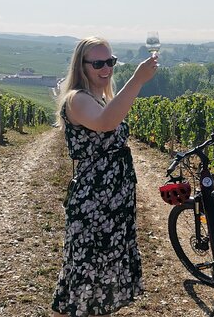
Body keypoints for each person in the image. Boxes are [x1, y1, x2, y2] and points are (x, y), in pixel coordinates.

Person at [51, 36, 158, 317]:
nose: (106, 68)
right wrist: (137, 80)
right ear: (81, 66)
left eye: (110, 61)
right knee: (84, 274)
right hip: (94, 203)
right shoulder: (77, 100)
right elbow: (105, 123)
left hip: (114, 202)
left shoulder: (101, 97)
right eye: (98, 63)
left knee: (103, 275)